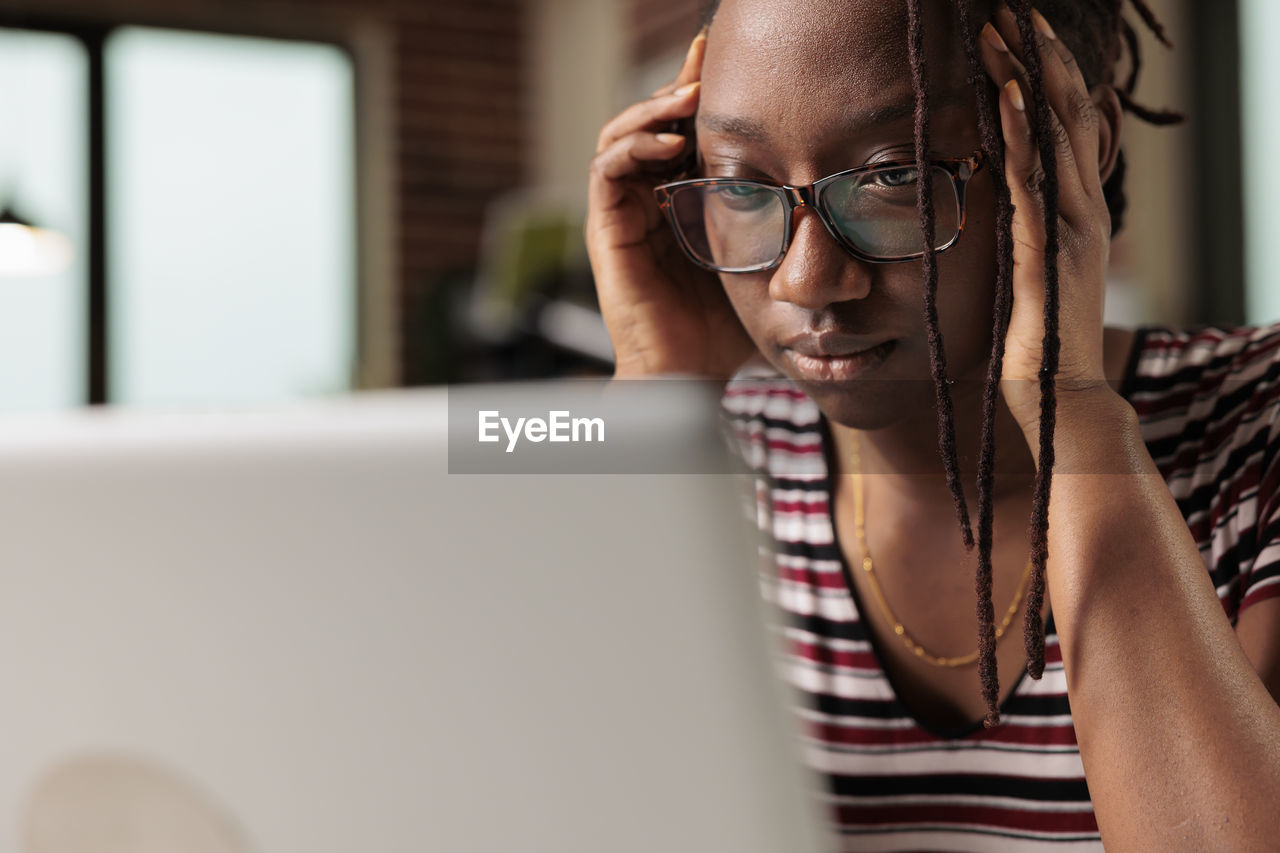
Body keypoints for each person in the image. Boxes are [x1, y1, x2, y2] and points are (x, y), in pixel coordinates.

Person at [585, 0, 1280, 848]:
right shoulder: (718, 458)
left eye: (894, 175)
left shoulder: (1258, 427)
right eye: (740, 184)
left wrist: (1070, 407)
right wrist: (660, 392)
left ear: (1073, 154)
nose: (805, 280)